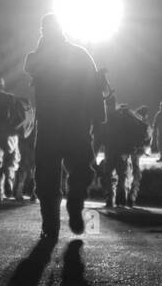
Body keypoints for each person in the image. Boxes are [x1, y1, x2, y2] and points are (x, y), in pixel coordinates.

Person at [24, 13, 107, 240]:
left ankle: (50, 226)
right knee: (81, 169)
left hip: (50, 127)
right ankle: (75, 203)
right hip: (76, 125)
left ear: (44, 31)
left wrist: (43, 47)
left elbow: (29, 65)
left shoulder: (40, 56)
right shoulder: (80, 53)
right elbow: (94, 85)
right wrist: (99, 115)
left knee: (46, 179)